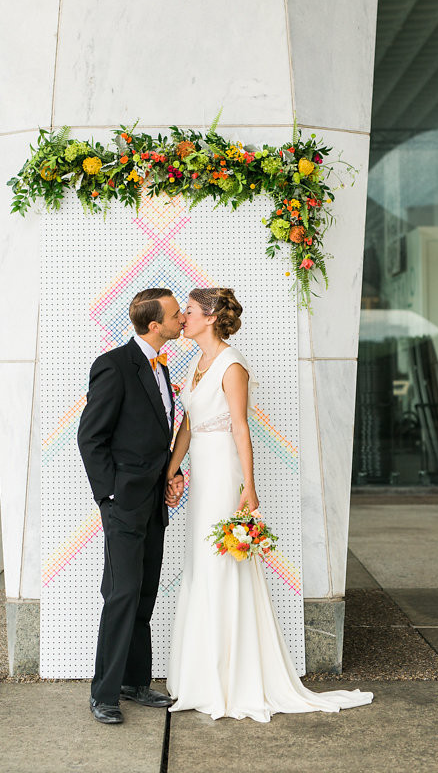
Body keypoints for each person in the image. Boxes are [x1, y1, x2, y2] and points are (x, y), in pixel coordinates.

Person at [164, 287, 374, 722]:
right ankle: (200, 676)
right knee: (201, 565)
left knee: (221, 562)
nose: (182, 317)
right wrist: (171, 469)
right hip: (202, 471)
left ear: (209, 316)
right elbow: (187, 424)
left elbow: (241, 429)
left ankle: (231, 679)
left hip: (224, 473)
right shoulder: (195, 364)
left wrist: (250, 489)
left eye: (188, 311)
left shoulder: (231, 364)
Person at [78, 288, 185, 724]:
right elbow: (91, 436)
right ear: (155, 324)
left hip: (153, 500)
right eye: (176, 314)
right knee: (121, 594)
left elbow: (157, 436)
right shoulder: (114, 365)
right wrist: (110, 495)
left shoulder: (162, 367)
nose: (183, 319)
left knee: (144, 592)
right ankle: (104, 694)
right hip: (123, 502)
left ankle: (135, 682)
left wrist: (171, 477)